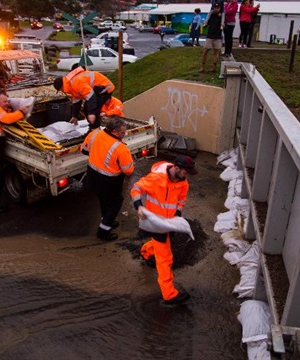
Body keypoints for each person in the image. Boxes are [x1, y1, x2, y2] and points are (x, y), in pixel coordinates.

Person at [131, 155, 197, 305]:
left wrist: (178, 214)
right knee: (165, 258)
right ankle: (169, 294)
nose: (187, 176)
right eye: (186, 172)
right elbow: (136, 188)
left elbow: (182, 199)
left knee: (162, 244)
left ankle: (146, 253)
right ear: (177, 168)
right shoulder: (156, 179)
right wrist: (138, 206)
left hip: (169, 223)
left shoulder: (183, 182)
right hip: (155, 222)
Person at [81, 117, 134, 241]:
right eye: (122, 132)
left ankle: (105, 219)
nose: (124, 134)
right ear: (115, 131)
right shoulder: (121, 148)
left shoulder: (94, 134)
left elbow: (84, 150)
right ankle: (103, 231)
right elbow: (129, 170)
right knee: (115, 203)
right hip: (109, 182)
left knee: (103, 199)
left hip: (92, 176)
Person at [53, 65, 115, 131]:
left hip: (105, 89)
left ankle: (96, 131)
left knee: (94, 110)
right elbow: (77, 100)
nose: (62, 92)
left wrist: (91, 113)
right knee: (87, 109)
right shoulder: (70, 84)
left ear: (62, 87)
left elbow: (91, 97)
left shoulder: (75, 83)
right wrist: (75, 116)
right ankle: (93, 128)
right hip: (98, 89)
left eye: (61, 90)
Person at [200, 2, 224, 73]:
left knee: (216, 52)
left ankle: (214, 67)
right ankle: (202, 66)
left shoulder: (222, 15)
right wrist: (205, 24)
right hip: (210, 36)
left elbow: (223, 24)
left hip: (218, 36)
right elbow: (206, 23)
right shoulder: (210, 14)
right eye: (215, 8)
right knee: (205, 51)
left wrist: (223, 25)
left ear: (220, 8)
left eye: (218, 8)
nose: (216, 9)